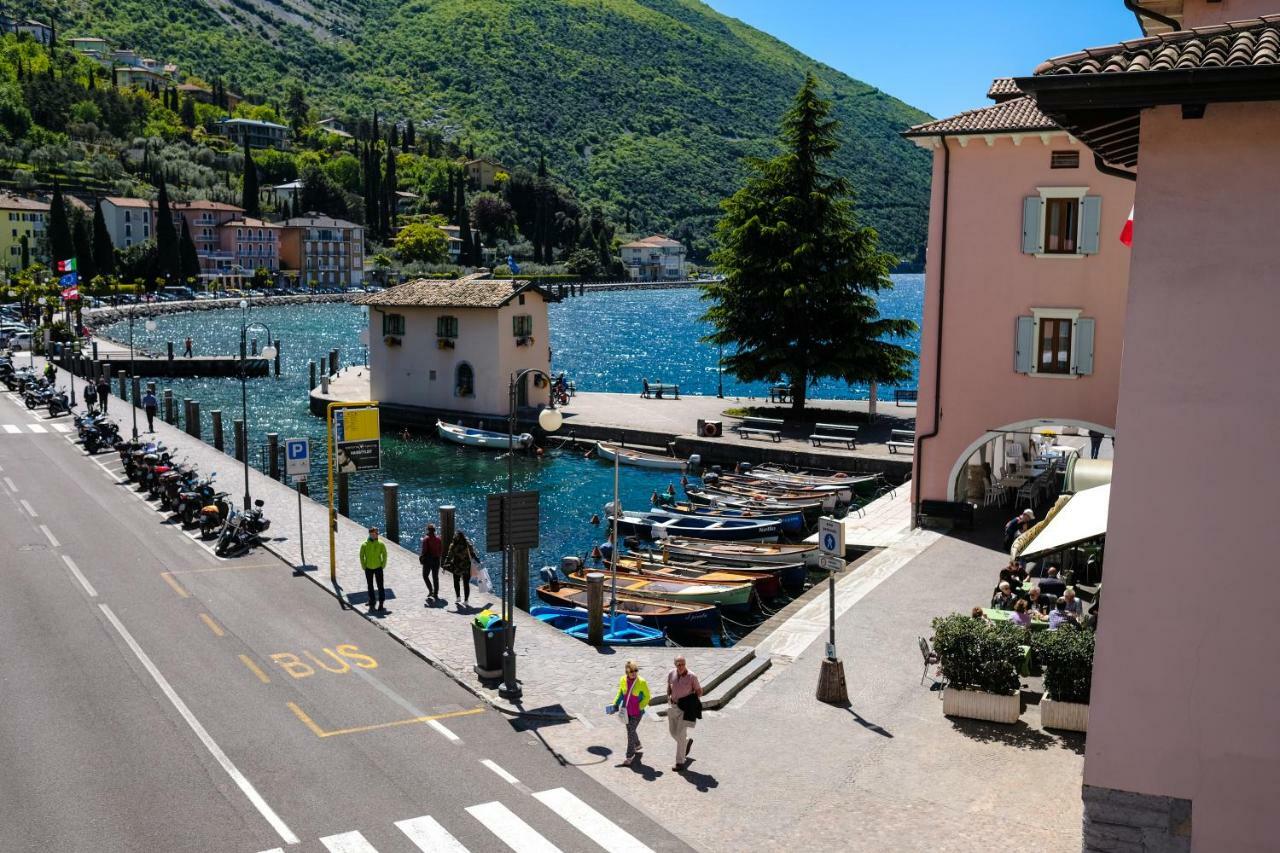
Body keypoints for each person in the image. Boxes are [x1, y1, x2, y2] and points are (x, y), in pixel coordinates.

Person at [667, 655, 702, 772]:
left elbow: (699, 692)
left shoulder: (692, 676)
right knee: (673, 732)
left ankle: (680, 762)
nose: (681, 666)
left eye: (682, 664)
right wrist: (668, 697)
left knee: (680, 733)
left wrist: (690, 701)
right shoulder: (671, 673)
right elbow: (669, 687)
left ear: (685, 664)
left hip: (685, 709)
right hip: (673, 706)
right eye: (678, 664)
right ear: (675, 665)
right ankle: (686, 742)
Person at [612, 661, 651, 766]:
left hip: (637, 712)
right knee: (631, 730)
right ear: (627, 672)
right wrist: (615, 703)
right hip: (626, 710)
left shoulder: (641, 682)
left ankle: (629, 756)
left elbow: (647, 697)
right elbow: (621, 693)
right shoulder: (623, 680)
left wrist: (640, 706)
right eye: (631, 671)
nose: (634, 673)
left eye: (636, 670)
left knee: (630, 732)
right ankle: (637, 744)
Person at [443, 529, 478, 609]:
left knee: (456, 581)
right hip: (466, 566)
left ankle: (458, 597)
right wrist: (477, 560)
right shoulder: (467, 544)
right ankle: (466, 600)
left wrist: (445, 564)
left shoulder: (453, 545)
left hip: (457, 566)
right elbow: (473, 554)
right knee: (466, 583)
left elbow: (449, 556)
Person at [359, 527, 388, 612]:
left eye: (376, 533)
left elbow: (385, 554)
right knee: (370, 586)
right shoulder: (364, 544)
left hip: (378, 567)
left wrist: (383, 565)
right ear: (370, 534)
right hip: (368, 568)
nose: (375, 535)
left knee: (380, 586)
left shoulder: (381, 544)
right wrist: (364, 566)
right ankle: (372, 601)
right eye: (373, 534)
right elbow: (361, 556)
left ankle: (381, 603)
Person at [419, 523, 442, 602]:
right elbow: (441, 550)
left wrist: (421, 557)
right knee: (435, 577)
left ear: (428, 530)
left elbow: (424, 550)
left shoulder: (426, 539)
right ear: (434, 530)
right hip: (437, 560)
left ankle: (430, 590)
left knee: (425, 575)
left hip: (428, 560)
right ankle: (435, 593)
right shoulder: (438, 539)